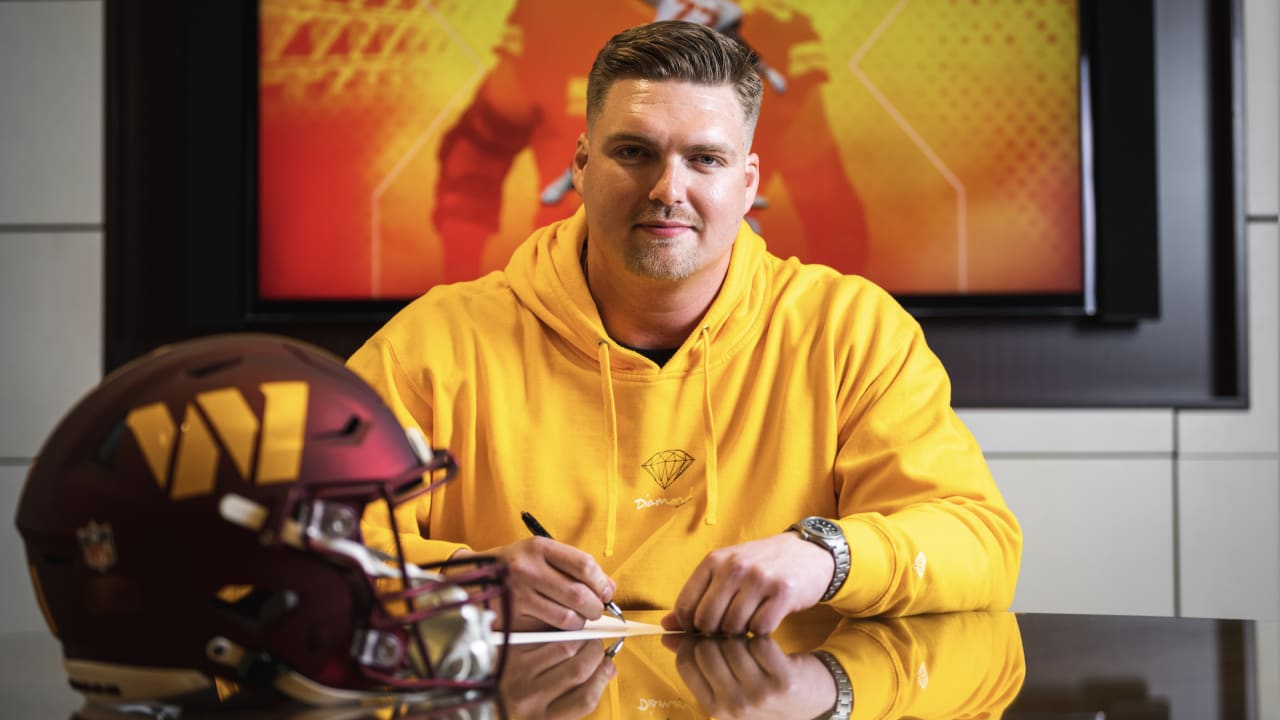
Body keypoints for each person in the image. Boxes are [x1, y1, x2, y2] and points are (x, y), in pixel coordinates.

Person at [349, 20, 1021, 636]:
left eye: (705, 159)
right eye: (634, 152)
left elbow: (978, 542)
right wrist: (468, 586)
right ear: (580, 166)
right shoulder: (430, 346)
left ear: (748, 180)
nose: (668, 189)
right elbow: (295, 551)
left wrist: (827, 555)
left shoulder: (853, 333)